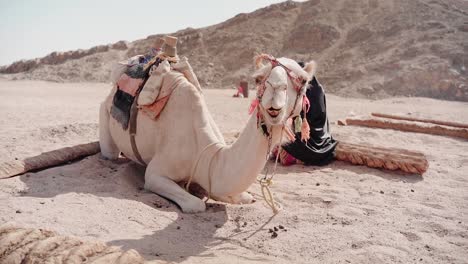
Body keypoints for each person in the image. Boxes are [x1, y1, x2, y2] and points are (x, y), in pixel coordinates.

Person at [276, 71, 337, 166]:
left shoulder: (304, 92)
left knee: (282, 146)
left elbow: (297, 118)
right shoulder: (319, 89)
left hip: (305, 136)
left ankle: (298, 156)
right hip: (322, 138)